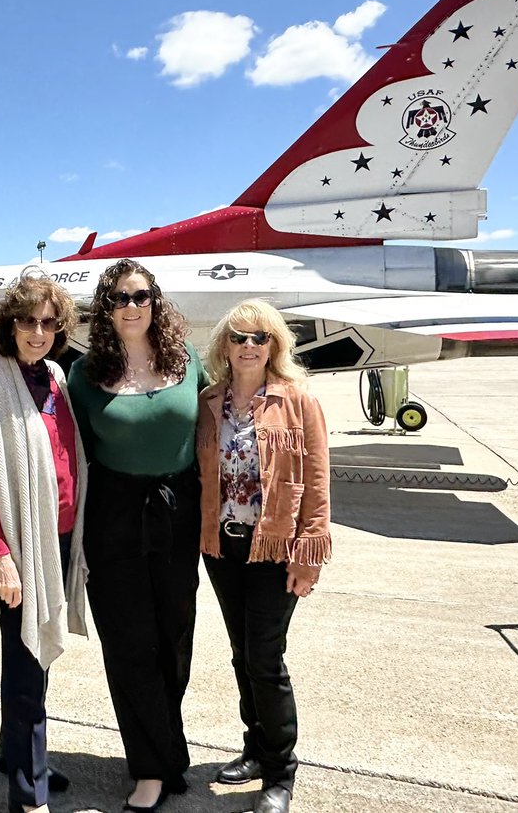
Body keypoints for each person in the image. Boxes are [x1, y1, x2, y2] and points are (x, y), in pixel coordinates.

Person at [66, 259, 208, 813]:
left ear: (155, 301)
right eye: (120, 297)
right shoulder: (85, 373)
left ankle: (164, 748)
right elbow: (69, 449)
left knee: (175, 635)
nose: (131, 306)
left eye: (140, 295)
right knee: (129, 643)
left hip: (178, 511)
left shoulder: (186, 360)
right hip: (114, 514)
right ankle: (150, 768)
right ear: (106, 307)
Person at [0, 272, 88, 813]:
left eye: (48, 322)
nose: (38, 331)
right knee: (28, 661)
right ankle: (27, 796)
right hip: (20, 543)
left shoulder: (54, 375)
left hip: (56, 536)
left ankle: (19, 759)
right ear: (10, 325)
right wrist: (2, 557)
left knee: (36, 659)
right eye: (28, 321)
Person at [197, 299, 331, 813]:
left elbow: (317, 481)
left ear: (274, 345)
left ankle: (280, 773)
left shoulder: (298, 400)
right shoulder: (210, 400)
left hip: (275, 547)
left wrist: (309, 550)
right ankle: (255, 748)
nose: (248, 346)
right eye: (238, 337)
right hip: (224, 545)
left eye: (259, 337)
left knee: (264, 659)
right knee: (241, 652)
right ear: (224, 346)